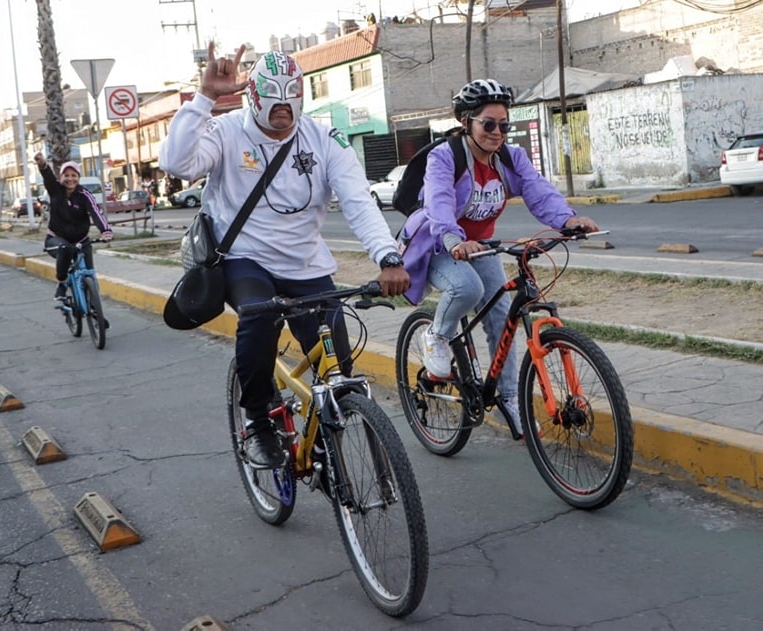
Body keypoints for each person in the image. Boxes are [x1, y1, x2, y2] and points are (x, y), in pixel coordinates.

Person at [159, 42, 410, 469]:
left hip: (308, 265)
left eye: (289, 103)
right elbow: (178, 162)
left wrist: (387, 256)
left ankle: (326, 435)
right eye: (272, 103)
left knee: (338, 372)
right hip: (245, 260)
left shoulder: (323, 138)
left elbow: (358, 201)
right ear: (254, 98)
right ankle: (257, 421)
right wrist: (204, 99)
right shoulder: (227, 131)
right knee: (258, 319)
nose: (281, 112)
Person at [399, 78, 600, 439]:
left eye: (504, 125)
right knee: (467, 288)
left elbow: (538, 190)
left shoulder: (510, 157)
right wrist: (454, 238)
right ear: (467, 123)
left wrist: (568, 220)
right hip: (439, 242)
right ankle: (437, 335)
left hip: (483, 244)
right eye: (488, 124)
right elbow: (439, 202)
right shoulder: (445, 156)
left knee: (501, 316)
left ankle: (509, 397)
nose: (497, 132)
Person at [32, 153, 113, 304]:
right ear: (61, 177)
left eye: (74, 175)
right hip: (56, 240)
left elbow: (96, 212)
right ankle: (62, 283)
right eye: (66, 175)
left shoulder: (84, 194)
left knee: (90, 275)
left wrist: (105, 230)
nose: (70, 179)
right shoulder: (55, 190)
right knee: (65, 248)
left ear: (78, 177)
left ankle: (96, 312)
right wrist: (42, 164)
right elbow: (48, 176)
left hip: (81, 241)